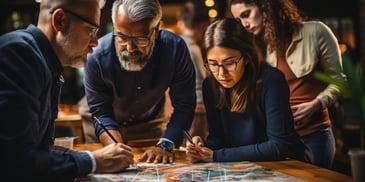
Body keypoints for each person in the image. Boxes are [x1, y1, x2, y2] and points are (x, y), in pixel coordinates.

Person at [0, 0, 134, 181]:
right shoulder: (19, 54)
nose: (95, 42)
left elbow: (39, 150)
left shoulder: (45, 63)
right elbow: (15, 162)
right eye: (91, 30)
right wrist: (93, 160)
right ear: (60, 21)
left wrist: (94, 157)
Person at [229, 0, 347, 168]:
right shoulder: (257, 46)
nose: (244, 24)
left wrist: (317, 104)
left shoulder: (316, 31)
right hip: (275, 140)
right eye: (238, 20)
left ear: (266, 7)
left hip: (314, 135)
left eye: (246, 14)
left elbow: (340, 82)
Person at [185, 18, 313, 163]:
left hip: (289, 165)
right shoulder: (210, 85)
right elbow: (218, 138)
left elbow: (279, 146)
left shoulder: (271, 80)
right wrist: (201, 147)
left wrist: (217, 156)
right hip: (244, 166)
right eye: (213, 64)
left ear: (246, 58)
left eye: (229, 63)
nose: (221, 74)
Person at [84, 0, 196, 163]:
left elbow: (184, 104)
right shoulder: (96, 57)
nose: (130, 48)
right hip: (104, 127)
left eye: (140, 39)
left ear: (156, 30)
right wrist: (116, 148)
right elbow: (101, 112)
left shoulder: (175, 48)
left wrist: (165, 145)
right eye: (121, 37)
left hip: (150, 124)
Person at [177, 0, 210, 141]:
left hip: (181, 109)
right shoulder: (193, 49)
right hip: (196, 111)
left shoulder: (177, 45)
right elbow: (200, 84)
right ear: (203, 25)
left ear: (181, 22)